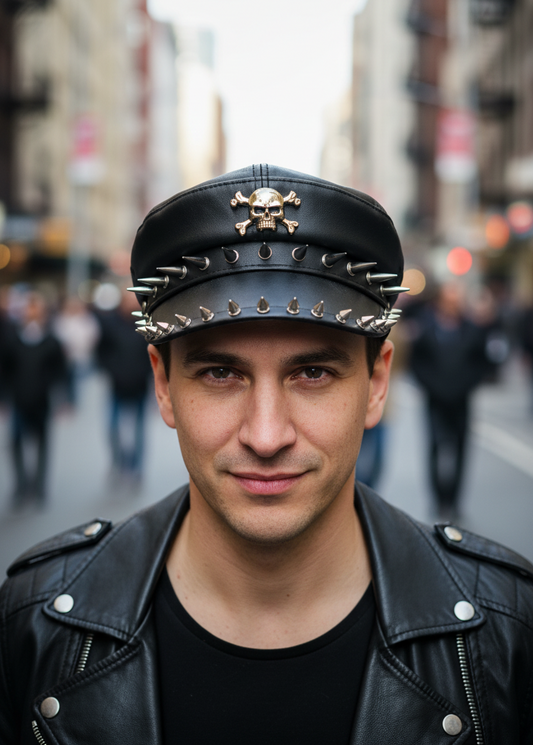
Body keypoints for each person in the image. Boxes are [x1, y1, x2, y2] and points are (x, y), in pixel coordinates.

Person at [0, 165, 532, 745]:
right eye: (221, 372)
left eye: (313, 372)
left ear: (377, 383)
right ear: (164, 385)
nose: (267, 434)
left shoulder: (508, 633)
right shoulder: (32, 625)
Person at [410, 282, 490, 519]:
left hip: (461, 400)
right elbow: (418, 363)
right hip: (434, 400)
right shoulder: (427, 328)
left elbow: (480, 363)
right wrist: (432, 386)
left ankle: (454, 501)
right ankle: (439, 500)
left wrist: (465, 386)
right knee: (434, 448)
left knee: (461, 451)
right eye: (449, 298)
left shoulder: (472, 329)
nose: (453, 303)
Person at [0, 291, 67, 509]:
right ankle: (21, 486)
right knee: (16, 443)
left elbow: (60, 370)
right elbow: (5, 370)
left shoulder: (51, 340)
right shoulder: (12, 338)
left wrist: (61, 397)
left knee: (42, 444)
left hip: (42, 401)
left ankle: (39, 487)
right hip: (19, 400)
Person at [96, 287, 153, 487]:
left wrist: (146, 373)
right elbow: (101, 351)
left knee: (138, 430)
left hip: (139, 386)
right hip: (117, 386)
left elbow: (153, 353)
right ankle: (119, 463)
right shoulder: (110, 323)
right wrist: (111, 370)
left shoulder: (145, 323)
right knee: (113, 429)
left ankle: (136, 468)